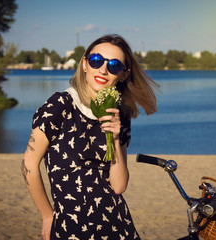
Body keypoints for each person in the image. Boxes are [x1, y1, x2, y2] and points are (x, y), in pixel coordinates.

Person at [21, 34, 158, 240]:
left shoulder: (118, 114)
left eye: (114, 65)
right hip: (70, 227)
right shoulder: (60, 105)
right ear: (84, 63)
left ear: (123, 74)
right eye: (96, 61)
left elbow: (119, 186)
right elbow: (29, 166)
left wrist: (115, 137)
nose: (103, 69)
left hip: (116, 225)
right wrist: (48, 216)